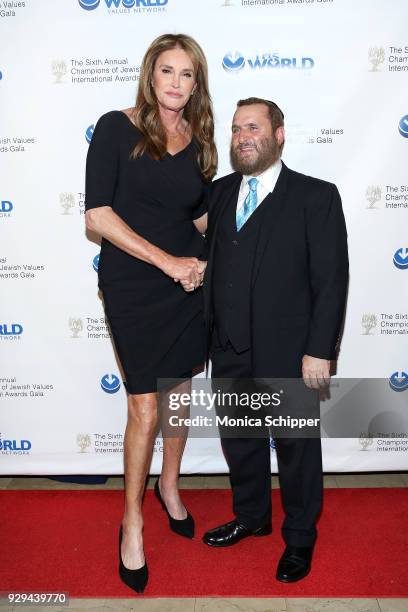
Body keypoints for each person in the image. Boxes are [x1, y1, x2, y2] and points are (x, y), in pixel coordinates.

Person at [84, 33, 216, 593]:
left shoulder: (200, 140)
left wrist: (212, 262)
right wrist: (167, 262)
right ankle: (132, 521)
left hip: (188, 287)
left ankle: (169, 486)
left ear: (196, 84)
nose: (176, 83)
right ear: (150, 73)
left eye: (187, 74)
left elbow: (202, 220)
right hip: (136, 283)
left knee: (181, 391)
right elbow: (97, 216)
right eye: (167, 70)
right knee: (144, 407)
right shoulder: (117, 127)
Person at [201, 97, 349, 582]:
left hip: (291, 353)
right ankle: (252, 516)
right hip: (229, 348)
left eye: (254, 127)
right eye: (237, 128)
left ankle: (301, 538)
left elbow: (331, 281)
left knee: (295, 450)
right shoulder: (220, 193)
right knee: (240, 441)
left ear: (279, 134)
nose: (243, 136)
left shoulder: (315, 196)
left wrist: (320, 350)